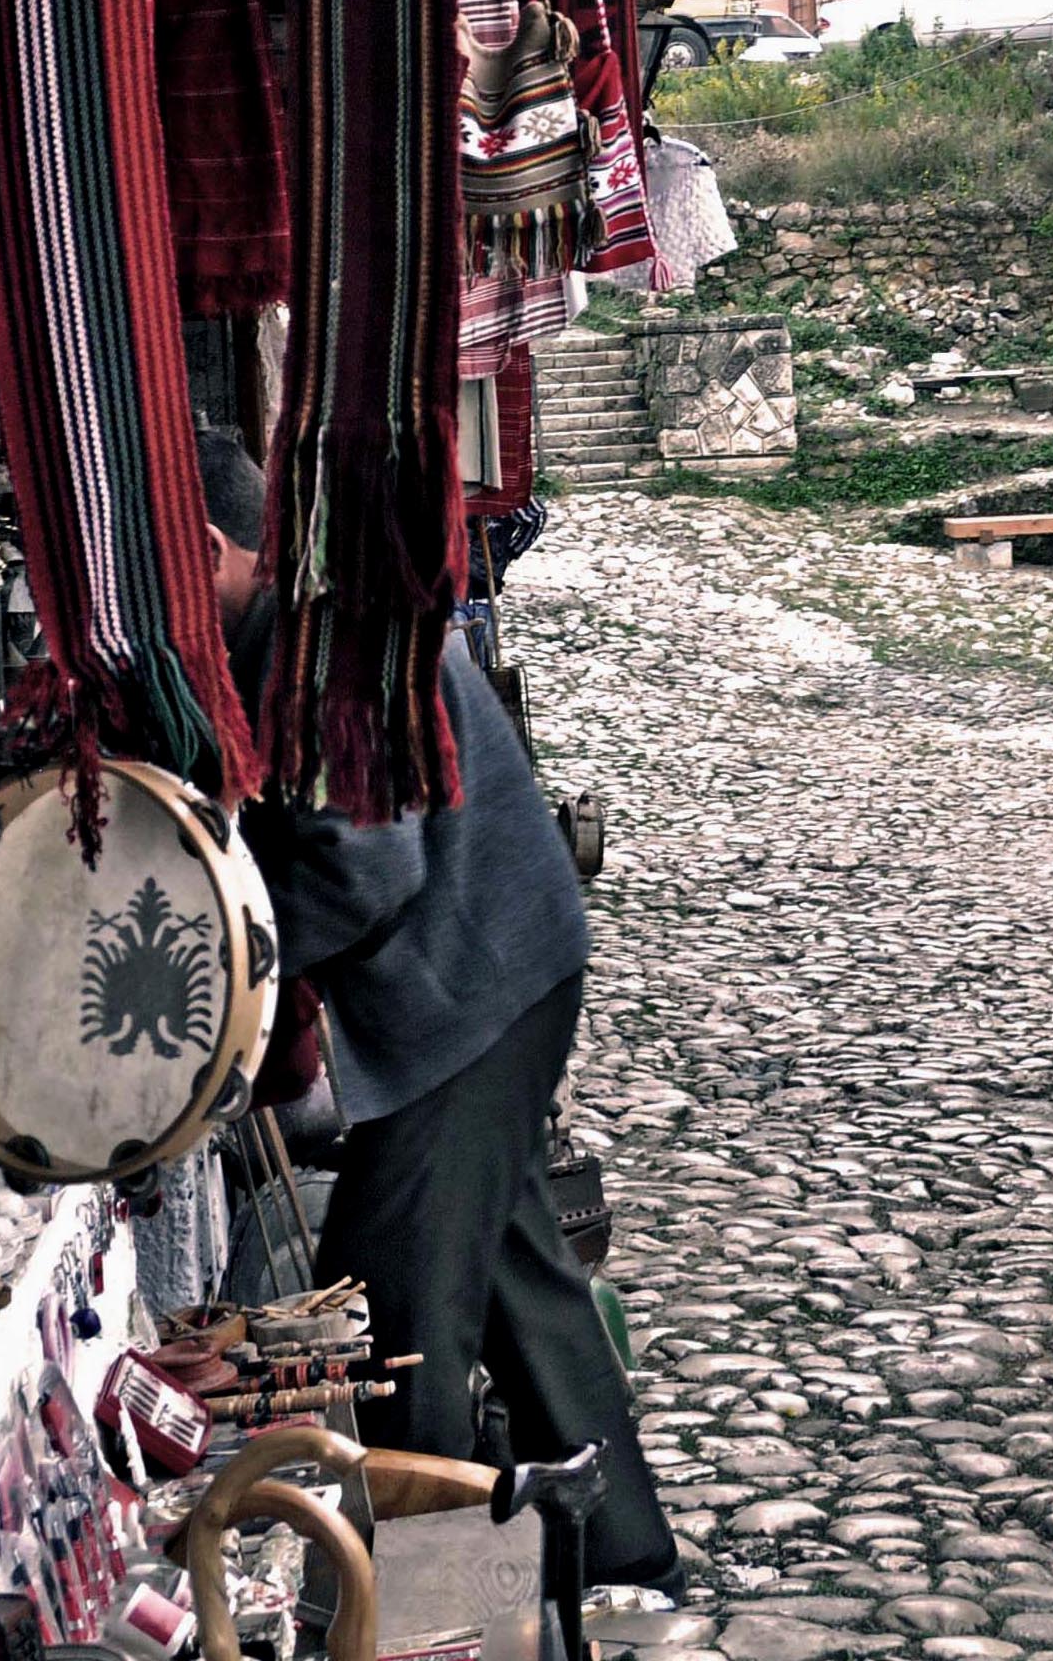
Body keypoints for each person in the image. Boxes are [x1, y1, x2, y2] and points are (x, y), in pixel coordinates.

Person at [202, 432, 678, 1586]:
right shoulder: (298, 623)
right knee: (516, 1278)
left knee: (395, 1307)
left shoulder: (314, 644)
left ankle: (436, 1601)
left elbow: (368, 864)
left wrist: (236, 974)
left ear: (216, 551)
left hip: (479, 990)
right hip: (500, 972)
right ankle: (621, 1558)